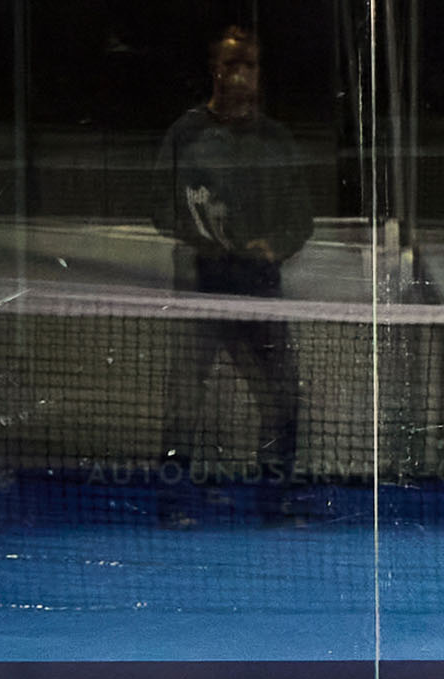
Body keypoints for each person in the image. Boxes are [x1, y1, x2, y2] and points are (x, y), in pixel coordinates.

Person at [151, 25, 315, 527]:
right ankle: (173, 504)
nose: (241, 75)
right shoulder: (186, 135)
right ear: (215, 71)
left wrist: (274, 246)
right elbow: (161, 207)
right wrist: (206, 241)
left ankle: (274, 502)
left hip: (260, 290)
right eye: (231, 65)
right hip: (202, 287)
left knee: (284, 396)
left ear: (259, 73)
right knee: (184, 399)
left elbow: (300, 217)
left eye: (250, 65)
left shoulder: (276, 139)